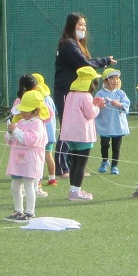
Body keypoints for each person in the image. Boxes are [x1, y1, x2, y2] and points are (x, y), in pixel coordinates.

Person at [52, 13, 114, 174]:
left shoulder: (77, 44)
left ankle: (73, 167)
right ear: (71, 26)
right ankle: (62, 168)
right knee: (67, 127)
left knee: (75, 128)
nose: (83, 28)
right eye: (80, 24)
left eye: (84, 25)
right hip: (66, 92)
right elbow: (84, 64)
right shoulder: (67, 44)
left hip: (77, 92)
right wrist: (104, 61)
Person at [59, 65, 105, 201]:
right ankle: (76, 192)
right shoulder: (86, 95)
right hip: (82, 134)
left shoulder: (70, 94)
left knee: (74, 162)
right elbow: (90, 114)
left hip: (70, 133)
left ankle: (73, 189)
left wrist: (93, 104)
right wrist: (98, 106)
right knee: (81, 163)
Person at [5, 89, 50, 222]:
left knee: (29, 187)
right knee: (15, 186)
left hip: (30, 162)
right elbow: (10, 139)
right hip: (17, 162)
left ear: (36, 110)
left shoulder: (38, 123)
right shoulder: (21, 122)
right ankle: (18, 210)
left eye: (27, 110)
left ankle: (30, 212)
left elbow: (31, 140)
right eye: (23, 110)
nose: (23, 113)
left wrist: (16, 131)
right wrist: (10, 133)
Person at [95, 67, 130, 175]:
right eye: (113, 78)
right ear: (106, 81)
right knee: (104, 144)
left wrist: (119, 104)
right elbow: (95, 105)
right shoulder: (100, 93)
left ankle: (114, 166)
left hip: (118, 125)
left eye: (117, 78)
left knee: (116, 147)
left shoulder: (120, 93)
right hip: (105, 124)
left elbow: (126, 105)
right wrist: (101, 103)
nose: (116, 81)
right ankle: (105, 161)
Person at [31, 73, 57, 193]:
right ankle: (52, 178)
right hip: (51, 134)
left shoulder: (37, 98)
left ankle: (38, 180)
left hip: (41, 134)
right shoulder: (49, 98)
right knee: (49, 155)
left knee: (39, 158)